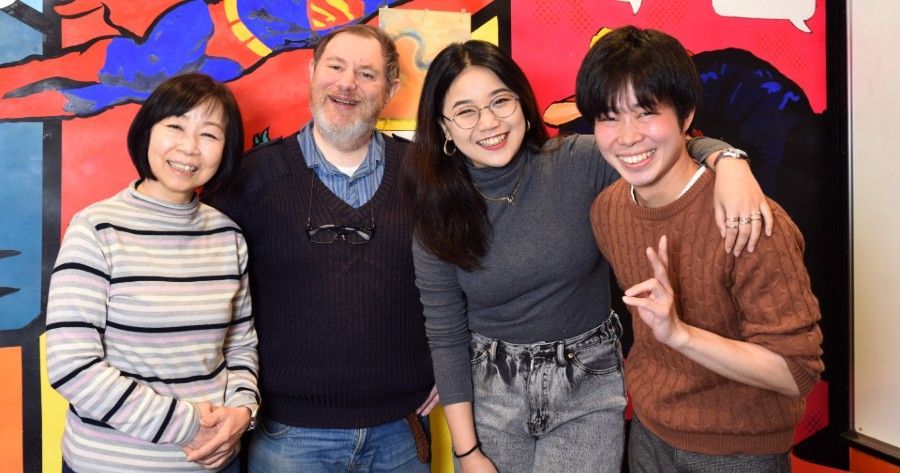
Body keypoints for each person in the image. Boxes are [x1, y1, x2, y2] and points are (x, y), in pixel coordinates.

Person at [401, 39, 772, 473]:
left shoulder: (578, 161)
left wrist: (729, 161)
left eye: (500, 101)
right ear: (444, 127)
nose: (488, 122)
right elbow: (445, 335)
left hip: (586, 385)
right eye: (465, 111)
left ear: (521, 102)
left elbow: (665, 146)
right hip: (493, 392)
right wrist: (468, 453)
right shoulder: (436, 211)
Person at [580, 26, 824, 473]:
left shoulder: (749, 221)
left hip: (739, 449)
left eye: (646, 112)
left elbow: (797, 371)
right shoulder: (608, 211)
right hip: (649, 432)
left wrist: (680, 334)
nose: (628, 136)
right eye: (609, 116)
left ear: (686, 114)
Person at [202, 24, 438, 472]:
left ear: (390, 88)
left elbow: (467, 276)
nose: (348, 83)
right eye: (335, 66)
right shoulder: (247, 183)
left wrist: (454, 367)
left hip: (402, 435)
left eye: (367, 74)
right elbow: (210, 303)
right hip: (288, 437)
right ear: (312, 73)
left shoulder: (427, 177)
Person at [45, 73, 259, 472]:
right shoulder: (97, 229)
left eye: (209, 135)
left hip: (215, 462)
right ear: (147, 132)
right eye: (175, 126)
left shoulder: (227, 236)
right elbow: (70, 365)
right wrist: (186, 426)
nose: (189, 148)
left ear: (226, 150)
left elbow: (240, 345)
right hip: (111, 463)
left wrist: (243, 411)